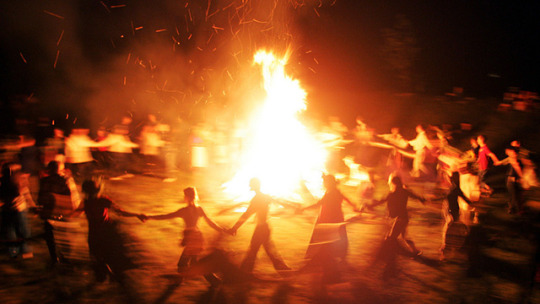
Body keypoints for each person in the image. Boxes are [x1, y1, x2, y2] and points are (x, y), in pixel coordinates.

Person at [142, 187, 225, 286]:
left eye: (184, 195)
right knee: (195, 263)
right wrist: (222, 229)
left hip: (190, 239)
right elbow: (210, 222)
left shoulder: (184, 211)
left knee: (182, 263)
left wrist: (149, 216)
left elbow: (165, 216)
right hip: (198, 237)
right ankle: (214, 281)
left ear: (186, 197)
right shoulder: (199, 209)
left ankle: (178, 281)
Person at [75, 179, 144, 282]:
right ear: (98, 190)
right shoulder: (102, 200)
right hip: (105, 232)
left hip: (95, 233)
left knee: (99, 256)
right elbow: (121, 212)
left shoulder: (86, 203)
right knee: (105, 256)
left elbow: (75, 213)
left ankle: (108, 274)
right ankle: (111, 274)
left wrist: (58, 214)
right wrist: (136, 215)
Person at [228, 178, 291, 275]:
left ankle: (244, 273)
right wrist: (291, 205)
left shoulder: (256, 199)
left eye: (251, 185)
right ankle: (285, 271)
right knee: (266, 251)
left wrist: (235, 228)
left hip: (261, 229)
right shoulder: (264, 196)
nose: (250, 186)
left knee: (254, 251)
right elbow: (277, 201)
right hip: (265, 227)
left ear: (253, 186)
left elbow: (246, 214)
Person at [367, 175, 426, 277]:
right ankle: (415, 252)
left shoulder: (393, 194)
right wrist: (422, 199)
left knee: (390, 239)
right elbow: (414, 195)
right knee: (403, 237)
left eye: (390, 182)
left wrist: (370, 205)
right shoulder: (404, 191)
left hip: (400, 219)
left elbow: (381, 201)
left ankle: (399, 260)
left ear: (392, 183)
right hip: (404, 218)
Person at [301, 174, 358, 262]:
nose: (323, 184)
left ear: (329, 183)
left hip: (331, 218)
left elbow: (319, 203)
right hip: (334, 217)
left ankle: (330, 254)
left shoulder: (331, 193)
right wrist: (353, 205)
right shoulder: (332, 191)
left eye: (324, 182)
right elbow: (345, 198)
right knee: (337, 235)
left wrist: (304, 208)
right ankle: (333, 254)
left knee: (330, 236)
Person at [37, 161, 77, 264]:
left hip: (49, 213)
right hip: (62, 212)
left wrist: (41, 210)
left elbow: (40, 199)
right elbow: (71, 196)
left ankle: (54, 257)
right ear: (60, 169)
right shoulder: (65, 181)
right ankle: (66, 257)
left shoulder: (44, 181)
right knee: (64, 235)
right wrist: (72, 209)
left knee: (50, 236)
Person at [0, 162, 36, 259]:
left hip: (8, 209)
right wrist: (33, 206)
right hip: (19, 209)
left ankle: (14, 252)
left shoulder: (4, 181)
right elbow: (25, 193)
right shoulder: (18, 180)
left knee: (10, 231)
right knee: (21, 230)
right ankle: (24, 251)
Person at [440, 172, 474, 260]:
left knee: (448, 230)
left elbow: (464, 198)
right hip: (449, 211)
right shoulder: (452, 187)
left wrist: (472, 203)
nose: (450, 178)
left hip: (452, 211)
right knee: (450, 229)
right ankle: (451, 247)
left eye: (452, 177)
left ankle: (445, 249)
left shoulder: (455, 189)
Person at [496, 147, 525, 214]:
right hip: (512, 178)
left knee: (515, 195)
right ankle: (515, 209)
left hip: (512, 178)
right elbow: (500, 162)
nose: (508, 152)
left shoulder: (514, 159)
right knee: (515, 195)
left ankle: (515, 209)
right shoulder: (512, 159)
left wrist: (521, 177)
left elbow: (517, 168)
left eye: (510, 151)